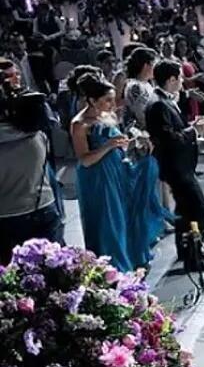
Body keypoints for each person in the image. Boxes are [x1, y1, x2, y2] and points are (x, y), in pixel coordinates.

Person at [71, 74, 164, 272]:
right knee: (108, 221)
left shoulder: (109, 116)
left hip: (118, 169)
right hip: (97, 177)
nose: (113, 105)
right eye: (107, 100)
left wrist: (135, 142)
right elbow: (84, 160)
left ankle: (130, 257)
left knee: (125, 215)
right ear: (92, 100)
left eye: (113, 99)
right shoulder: (80, 124)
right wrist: (108, 146)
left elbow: (119, 144)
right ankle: (112, 267)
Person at [145, 60, 204, 271]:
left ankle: (188, 252)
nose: (182, 82)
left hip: (181, 164)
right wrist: (194, 131)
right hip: (176, 167)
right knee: (199, 208)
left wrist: (192, 126)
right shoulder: (158, 104)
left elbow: (176, 129)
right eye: (180, 78)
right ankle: (194, 253)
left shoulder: (166, 100)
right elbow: (169, 139)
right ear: (171, 79)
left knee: (185, 210)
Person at [0, 89, 64, 263]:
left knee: (11, 273)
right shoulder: (38, 136)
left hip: (6, 216)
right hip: (42, 206)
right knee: (53, 268)